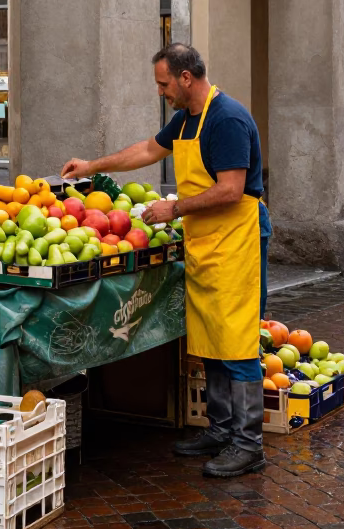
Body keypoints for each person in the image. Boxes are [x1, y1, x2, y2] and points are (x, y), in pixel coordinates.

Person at [60, 43, 271, 479]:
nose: (161, 92)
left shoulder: (227, 118)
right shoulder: (187, 119)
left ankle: (249, 446)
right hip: (206, 240)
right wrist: (90, 166)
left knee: (235, 339)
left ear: (186, 78)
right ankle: (220, 429)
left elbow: (232, 189)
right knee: (211, 335)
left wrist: (175, 209)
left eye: (163, 83)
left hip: (235, 240)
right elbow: (145, 151)